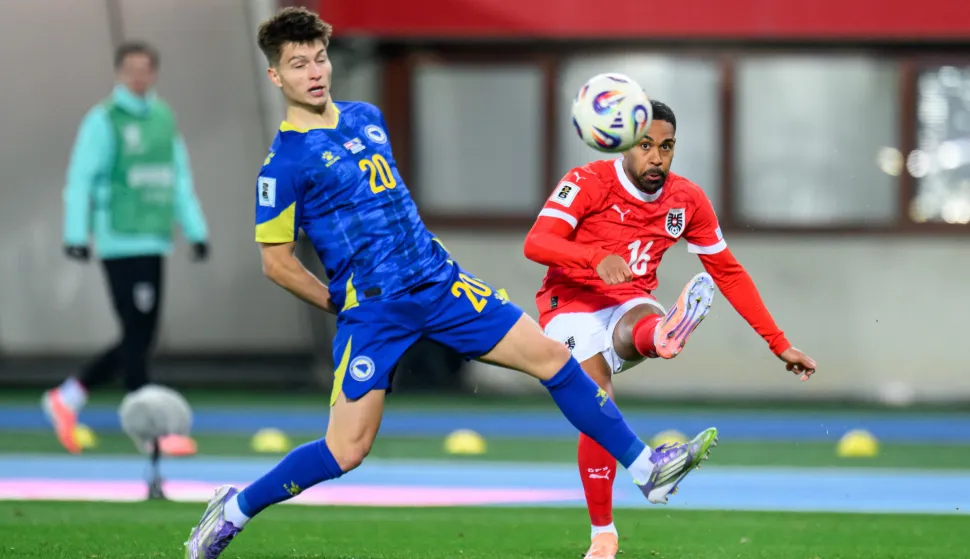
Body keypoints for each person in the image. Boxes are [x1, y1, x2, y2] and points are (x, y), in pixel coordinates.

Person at [183, 8, 718, 558]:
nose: (315, 72)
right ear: (276, 76)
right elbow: (276, 261)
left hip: (440, 283)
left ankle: (644, 467)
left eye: (319, 59)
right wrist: (335, 301)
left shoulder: (366, 116)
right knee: (346, 450)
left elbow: (388, 204)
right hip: (374, 311)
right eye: (298, 65)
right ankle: (234, 509)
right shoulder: (282, 166)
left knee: (554, 358)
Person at [523, 100, 818, 559]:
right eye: (646, 146)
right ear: (624, 146)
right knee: (597, 396)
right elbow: (536, 242)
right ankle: (603, 533)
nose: (657, 157)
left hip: (630, 301)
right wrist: (594, 258)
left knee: (638, 328)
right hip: (570, 303)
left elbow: (729, 272)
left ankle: (661, 336)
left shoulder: (687, 199)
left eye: (667, 146)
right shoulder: (587, 182)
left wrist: (778, 343)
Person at [41, 40, 209, 457]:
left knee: (140, 334)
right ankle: (151, 432)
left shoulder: (164, 117)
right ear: (120, 73)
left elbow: (178, 178)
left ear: (153, 73)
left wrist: (195, 229)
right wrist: (76, 234)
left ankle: (70, 395)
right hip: (118, 239)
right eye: (130, 69)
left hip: (153, 237)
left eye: (145, 69)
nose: (138, 76)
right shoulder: (103, 120)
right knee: (137, 334)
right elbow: (81, 177)